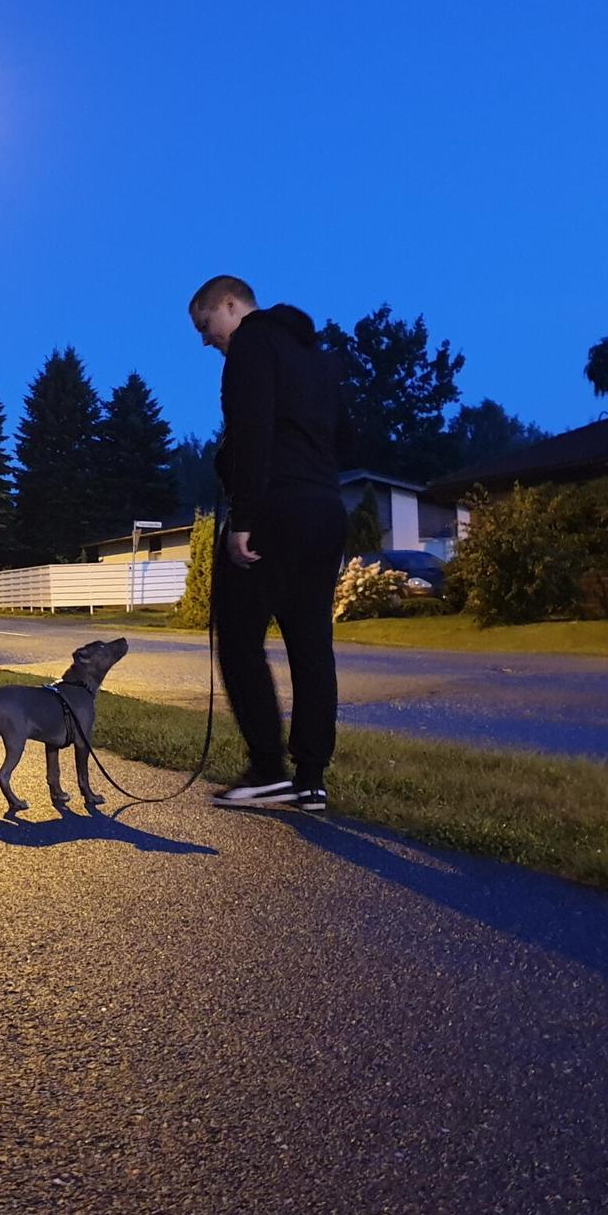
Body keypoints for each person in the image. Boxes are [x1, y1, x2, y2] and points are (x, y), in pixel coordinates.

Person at [188, 274, 348, 812]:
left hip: (274, 510)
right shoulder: (317, 357)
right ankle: (310, 778)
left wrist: (243, 518)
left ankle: (267, 769)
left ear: (231, 305)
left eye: (207, 326)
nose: (207, 341)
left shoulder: (253, 342)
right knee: (310, 645)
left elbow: (253, 431)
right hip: (325, 510)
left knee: (236, 638)